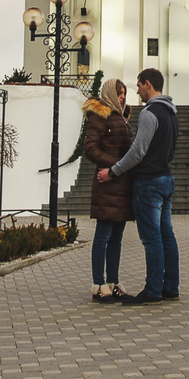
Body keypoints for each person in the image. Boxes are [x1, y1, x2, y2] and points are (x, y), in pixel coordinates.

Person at [97, 67, 179, 304]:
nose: (137, 90)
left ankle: (153, 290)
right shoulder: (171, 113)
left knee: (152, 238)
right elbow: (171, 148)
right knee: (167, 236)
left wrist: (113, 171)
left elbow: (138, 151)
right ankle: (170, 286)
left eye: (139, 85)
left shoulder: (149, 113)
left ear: (148, 85)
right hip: (166, 178)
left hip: (149, 183)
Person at [83, 77, 134, 302]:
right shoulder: (100, 116)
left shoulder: (121, 117)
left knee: (116, 237)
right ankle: (98, 284)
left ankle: (112, 282)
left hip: (121, 183)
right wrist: (114, 165)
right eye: (119, 92)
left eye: (124, 92)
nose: (122, 96)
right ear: (109, 93)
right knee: (103, 235)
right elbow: (90, 148)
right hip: (107, 182)